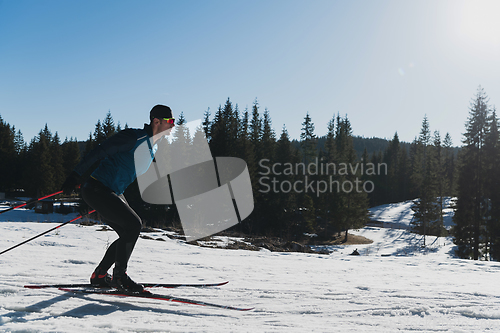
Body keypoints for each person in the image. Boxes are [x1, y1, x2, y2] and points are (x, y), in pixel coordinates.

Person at [61, 105, 175, 292]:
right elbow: (100, 151)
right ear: (156, 121)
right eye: (169, 121)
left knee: (128, 232)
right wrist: (75, 175)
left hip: (110, 192)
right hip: (98, 188)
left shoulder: (152, 145)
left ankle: (99, 275)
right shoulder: (134, 137)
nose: (173, 125)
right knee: (133, 225)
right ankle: (120, 277)